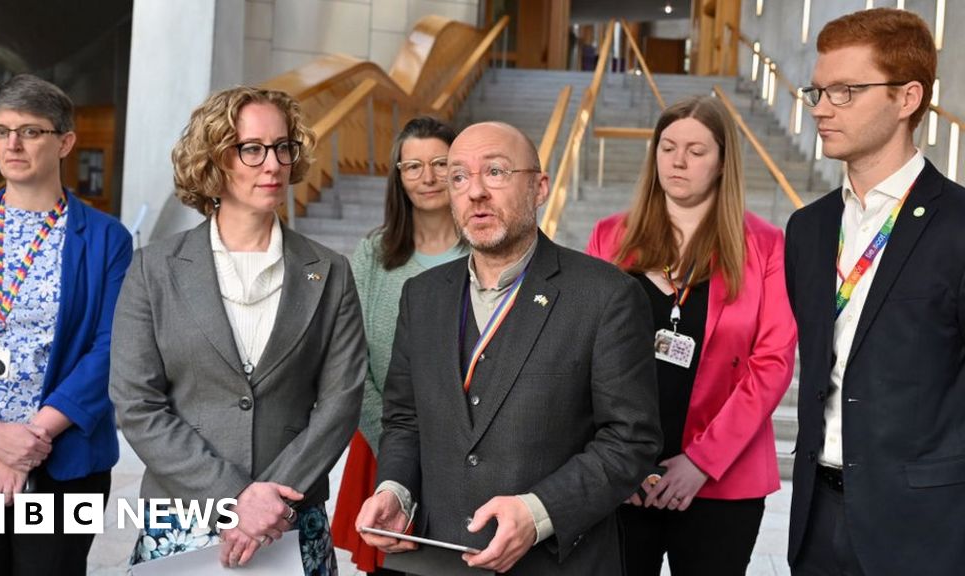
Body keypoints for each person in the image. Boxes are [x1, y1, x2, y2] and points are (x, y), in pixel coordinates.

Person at [356, 121, 661, 575]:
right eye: (458, 177)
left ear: (539, 188)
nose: (475, 192)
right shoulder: (422, 296)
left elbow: (631, 440)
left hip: (555, 562)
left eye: (495, 172)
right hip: (437, 557)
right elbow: (404, 419)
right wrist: (396, 490)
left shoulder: (605, 296)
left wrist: (539, 513)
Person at [110, 86, 366, 573]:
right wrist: (235, 498)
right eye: (251, 148)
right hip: (184, 513)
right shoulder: (153, 269)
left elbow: (341, 401)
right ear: (212, 160)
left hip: (288, 514)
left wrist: (268, 503)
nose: (272, 164)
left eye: (282, 147)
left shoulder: (329, 271)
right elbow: (136, 403)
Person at [785, 9, 965, 576]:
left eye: (845, 92)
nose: (820, 107)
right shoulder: (808, 228)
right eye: (819, 90)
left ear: (907, 97)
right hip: (816, 517)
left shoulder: (958, 225)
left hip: (926, 528)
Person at [586, 95, 797, 576]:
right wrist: (619, 460)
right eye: (667, 147)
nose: (678, 161)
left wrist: (701, 461)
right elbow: (584, 355)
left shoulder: (765, 246)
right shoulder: (610, 237)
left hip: (722, 479)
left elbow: (773, 361)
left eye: (697, 151)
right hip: (621, 475)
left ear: (723, 163)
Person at [0, 74, 132, 574]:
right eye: (0, 131)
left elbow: (112, 348)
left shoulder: (109, 240)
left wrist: (25, 443)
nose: (12, 144)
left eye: (30, 131)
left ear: (65, 141)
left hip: (65, 451)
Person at [331, 116, 467, 574]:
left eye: (440, 164)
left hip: (470, 448)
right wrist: (393, 439)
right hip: (384, 441)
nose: (427, 178)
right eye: (413, 166)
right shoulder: (373, 252)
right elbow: (349, 357)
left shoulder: (485, 250)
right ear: (398, 176)